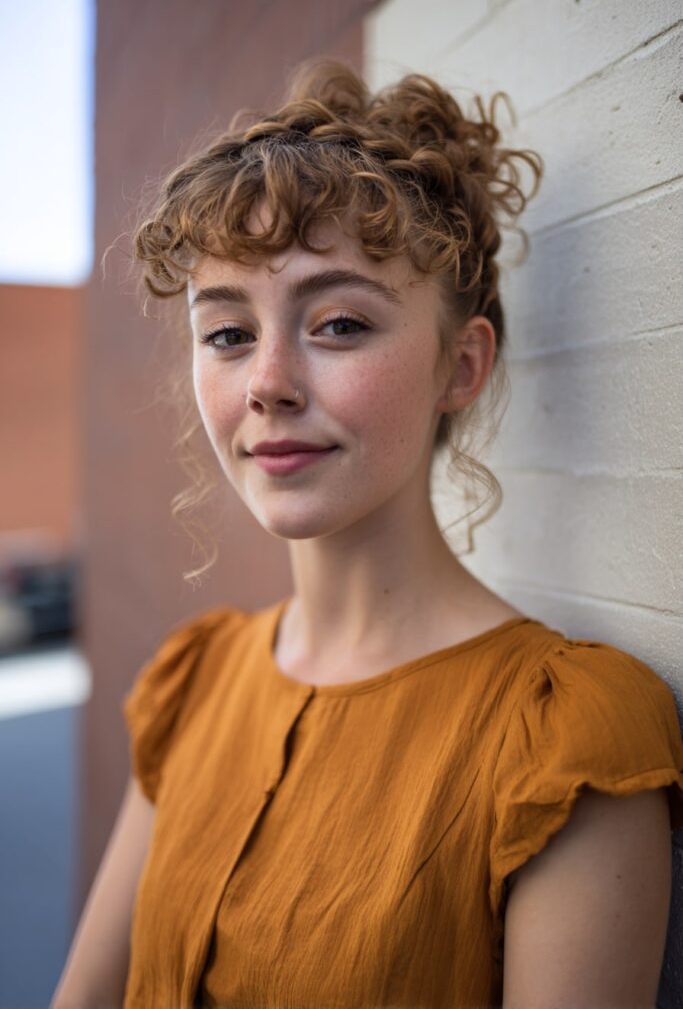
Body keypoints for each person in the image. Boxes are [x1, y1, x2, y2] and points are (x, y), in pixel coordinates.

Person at [53, 59, 683, 1009]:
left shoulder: (565, 739)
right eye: (226, 334)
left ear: (459, 367)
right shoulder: (193, 681)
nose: (267, 381)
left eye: (339, 322)